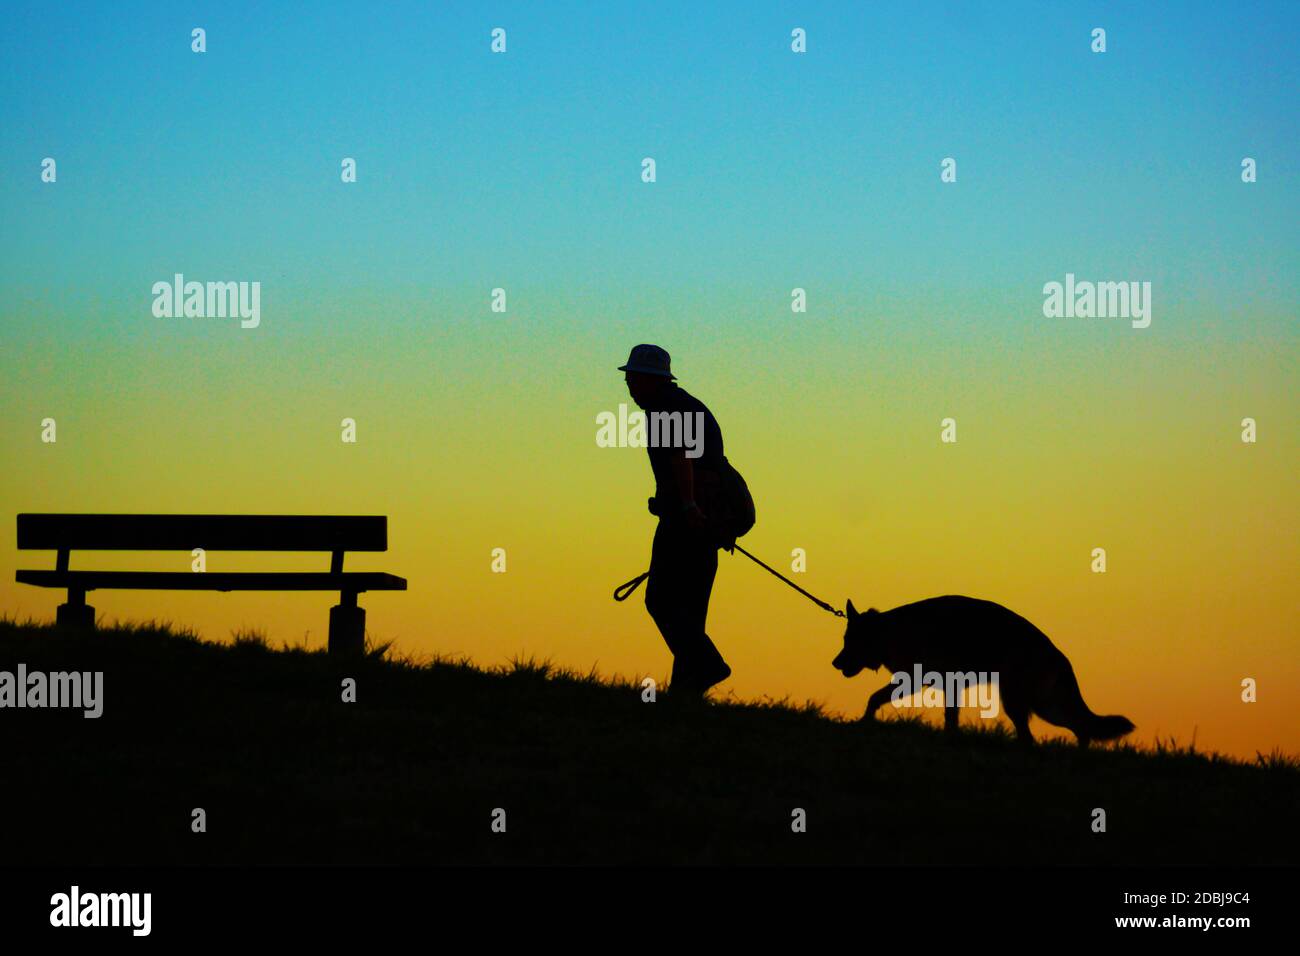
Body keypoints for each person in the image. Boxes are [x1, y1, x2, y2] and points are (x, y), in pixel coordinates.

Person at [618, 344, 732, 699]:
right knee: (689, 609)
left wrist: (686, 507)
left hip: (687, 521)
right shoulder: (684, 405)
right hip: (705, 520)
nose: (630, 388)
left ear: (651, 380)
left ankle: (709, 665)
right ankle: (686, 693)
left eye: (634, 380)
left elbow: (682, 457)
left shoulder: (666, 409)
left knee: (661, 601)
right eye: (629, 380)